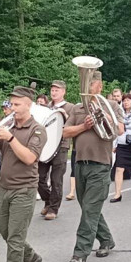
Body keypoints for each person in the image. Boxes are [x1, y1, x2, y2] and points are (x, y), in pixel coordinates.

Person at [0, 86, 46, 262]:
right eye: (12, 104)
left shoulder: (37, 129)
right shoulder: (7, 126)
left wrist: (10, 138)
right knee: (5, 232)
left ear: (28, 105)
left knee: (16, 237)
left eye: (17, 104)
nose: (13, 108)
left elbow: (29, 158)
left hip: (24, 189)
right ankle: (31, 257)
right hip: (5, 187)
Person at [63, 71, 124, 262]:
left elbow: (119, 130)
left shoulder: (112, 105)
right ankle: (106, 239)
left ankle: (80, 253)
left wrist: (104, 116)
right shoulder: (77, 108)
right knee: (88, 207)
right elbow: (65, 132)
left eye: (93, 83)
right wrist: (83, 126)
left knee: (89, 210)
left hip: (100, 165)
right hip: (80, 164)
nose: (89, 87)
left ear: (100, 86)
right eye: (86, 83)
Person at [38, 80, 74, 220]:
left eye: (57, 90)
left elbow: (72, 124)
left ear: (63, 92)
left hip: (61, 146)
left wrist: (64, 115)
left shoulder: (70, 107)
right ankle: (48, 200)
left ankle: (53, 208)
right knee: (39, 178)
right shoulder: (46, 107)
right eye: (52, 90)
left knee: (56, 179)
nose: (53, 93)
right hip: (46, 146)